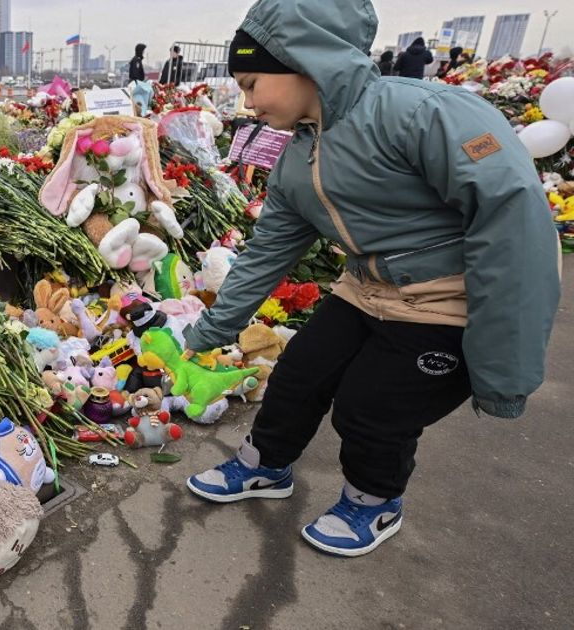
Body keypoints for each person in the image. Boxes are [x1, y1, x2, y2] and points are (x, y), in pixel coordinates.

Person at [183, 0, 559, 558]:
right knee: (298, 375)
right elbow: (267, 254)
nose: (248, 102)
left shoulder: (422, 112)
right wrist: (208, 330)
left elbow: (513, 220)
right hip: (364, 290)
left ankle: (374, 500)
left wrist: (504, 366)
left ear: (302, 60)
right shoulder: (297, 158)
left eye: (253, 82)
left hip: (445, 301)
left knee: (372, 408)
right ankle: (266, 466)